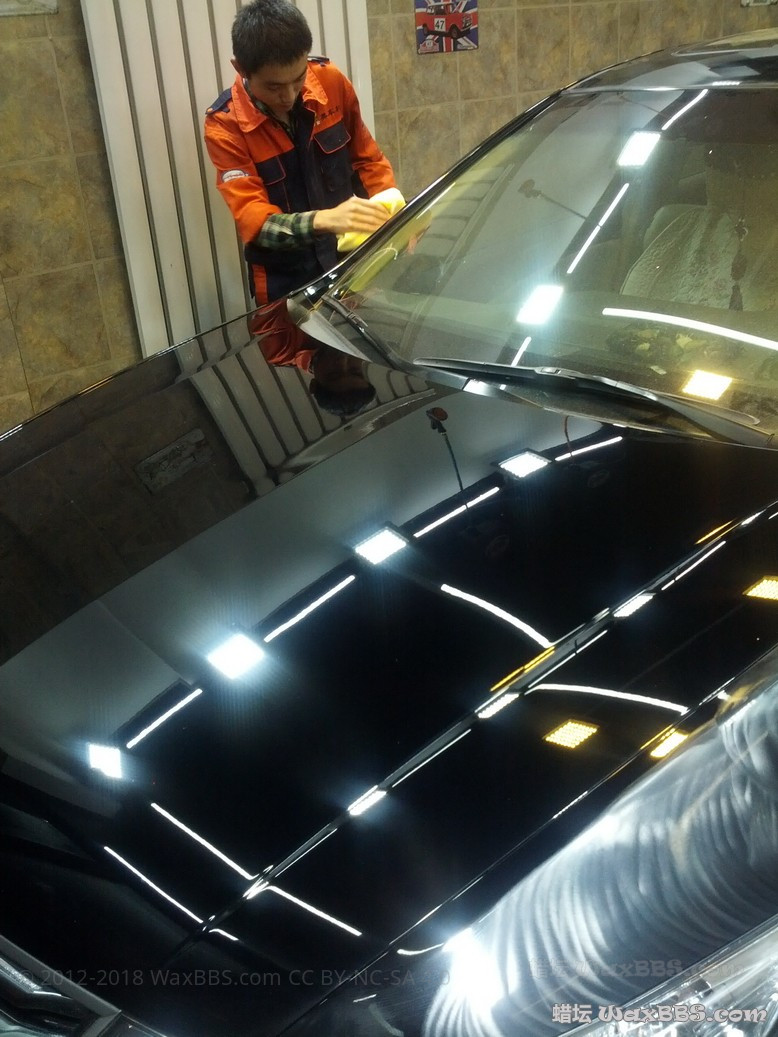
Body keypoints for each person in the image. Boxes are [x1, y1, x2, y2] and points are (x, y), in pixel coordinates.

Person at [204, 0, 400, 306]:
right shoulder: (225, 126)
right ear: (240, 68)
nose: (289, 96)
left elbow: (367, 160)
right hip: (285, 283)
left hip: (350, 264)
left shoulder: (330, 81)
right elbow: (257, 224)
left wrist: (395, 212)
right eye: (274, 87)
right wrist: (324, 220)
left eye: (298, 80)